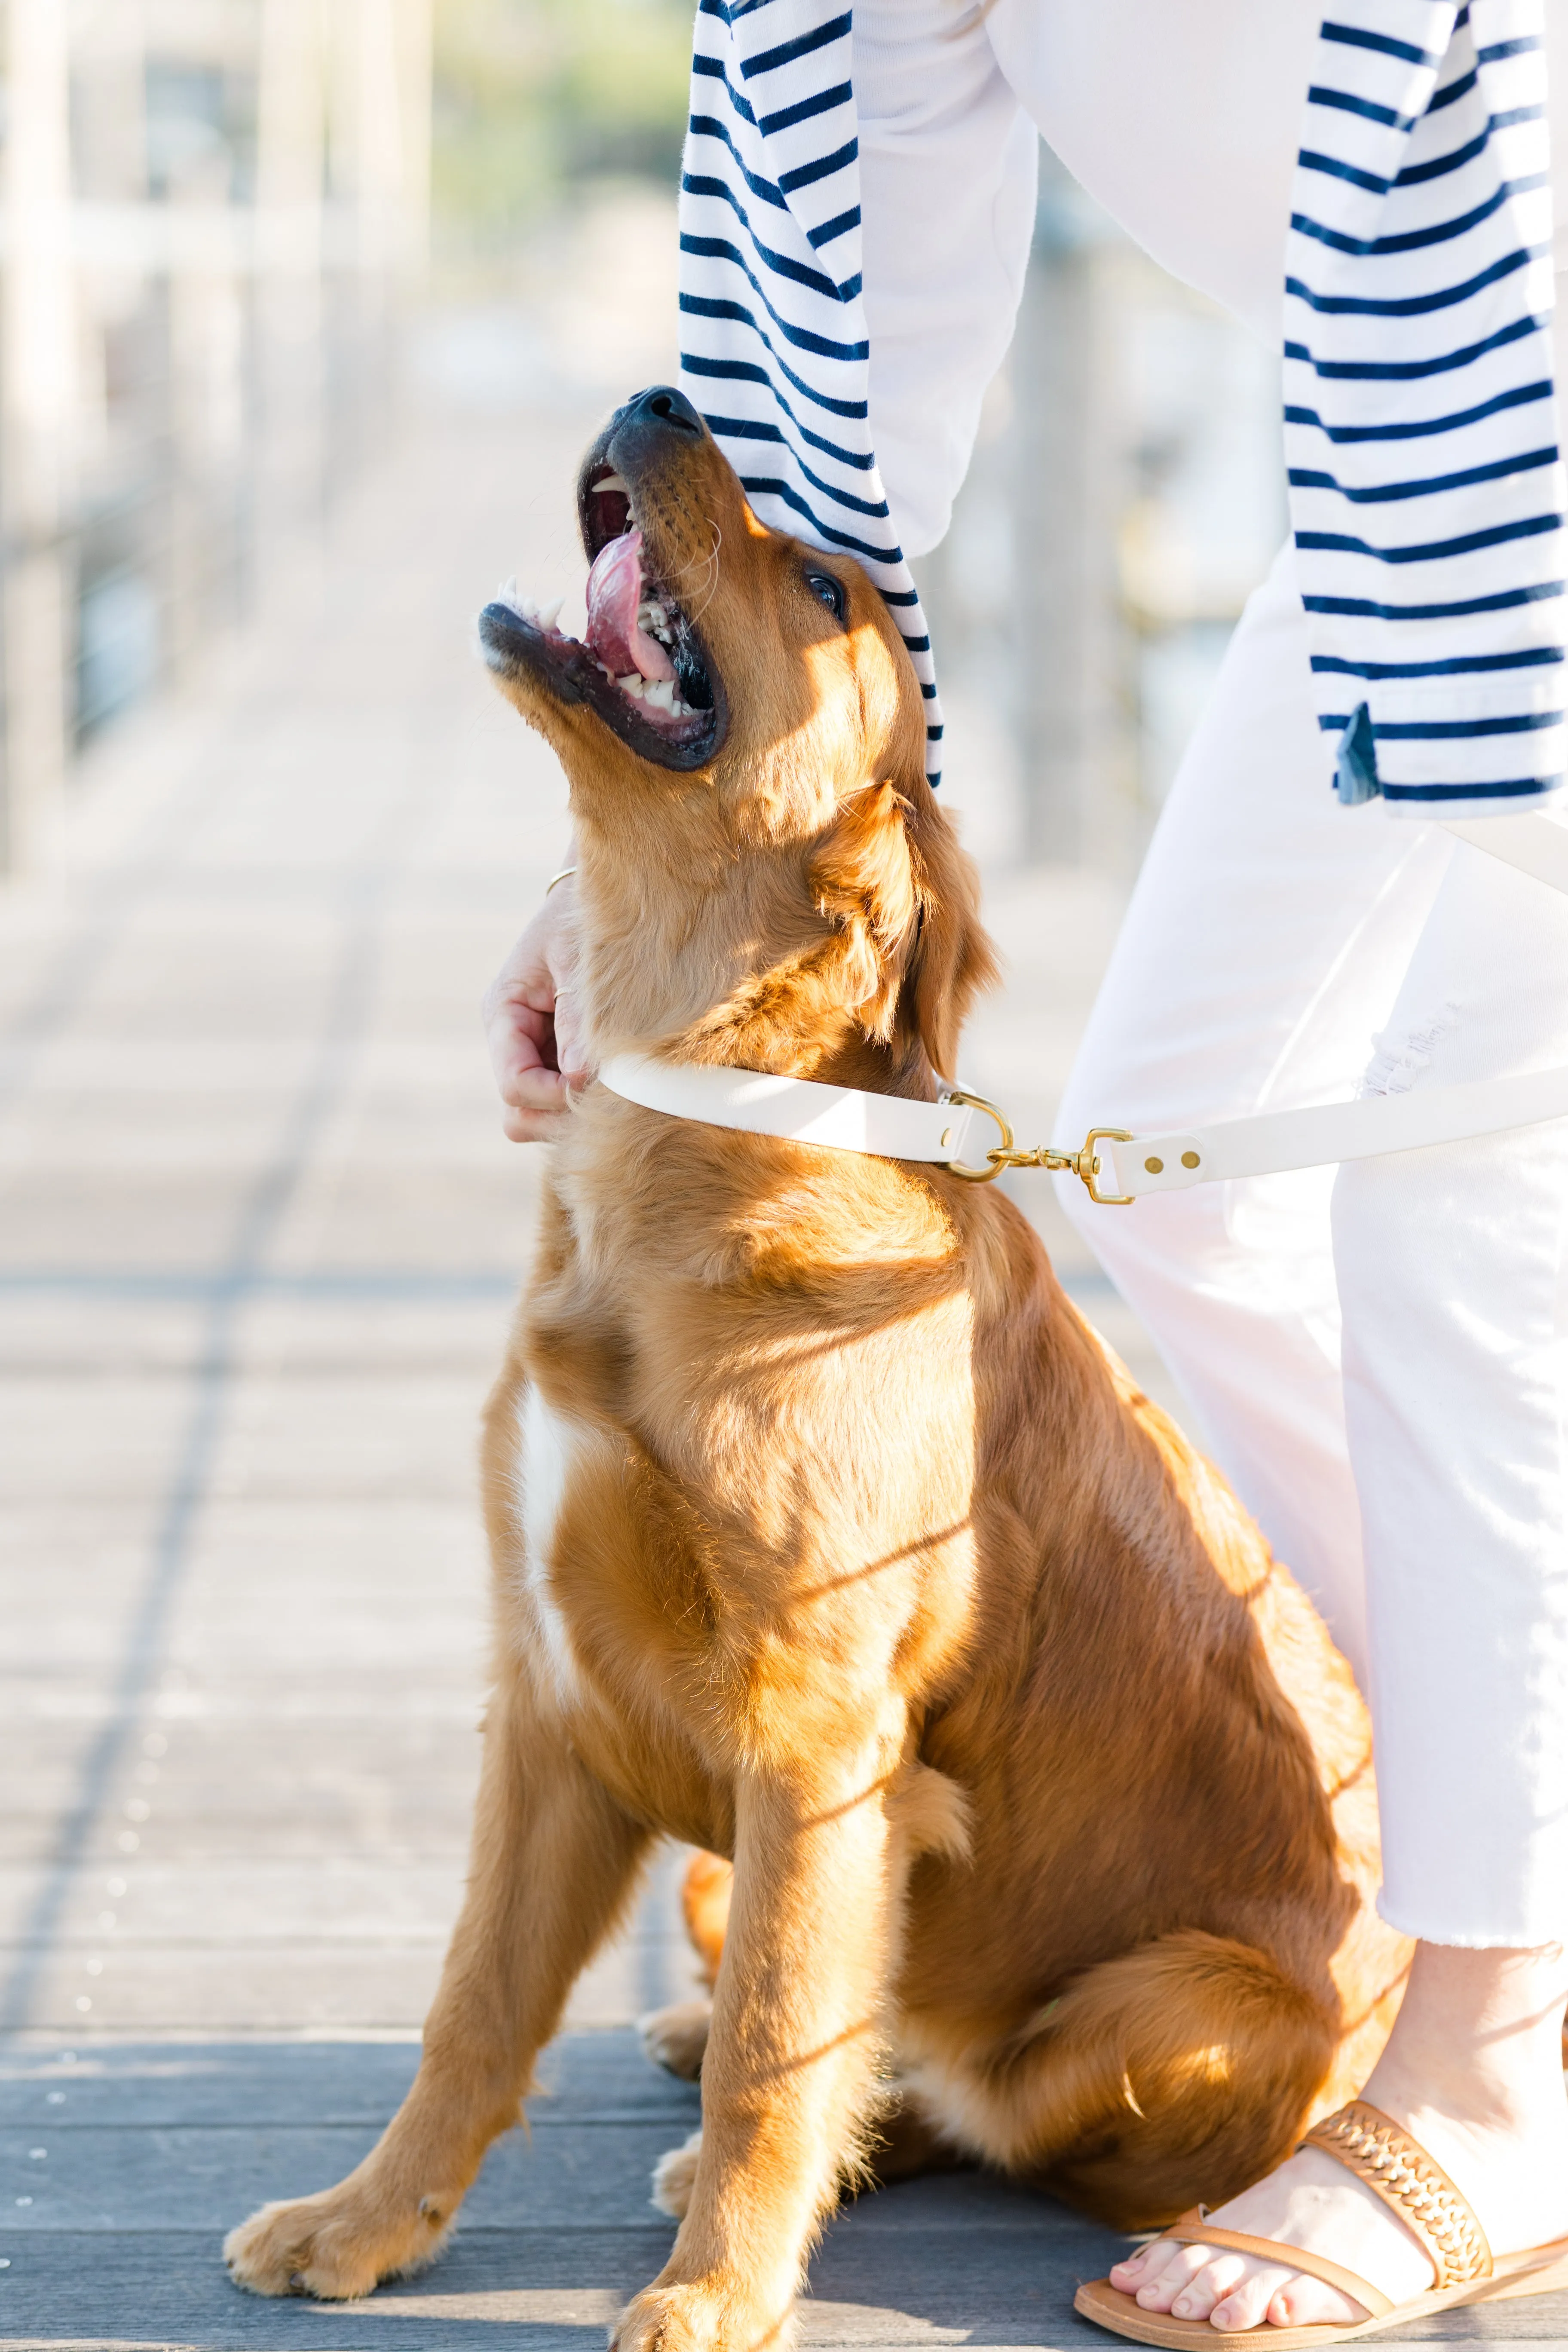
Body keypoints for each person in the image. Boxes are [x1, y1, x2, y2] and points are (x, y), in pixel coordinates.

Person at [485, 2, 1568, 2336]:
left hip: (1521, 359)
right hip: (1405, 430)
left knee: (1467, 1178)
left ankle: (1498, 2052)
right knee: (1197, 1155)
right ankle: (1497, 1837)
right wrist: (635, 852)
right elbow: (814, 361)